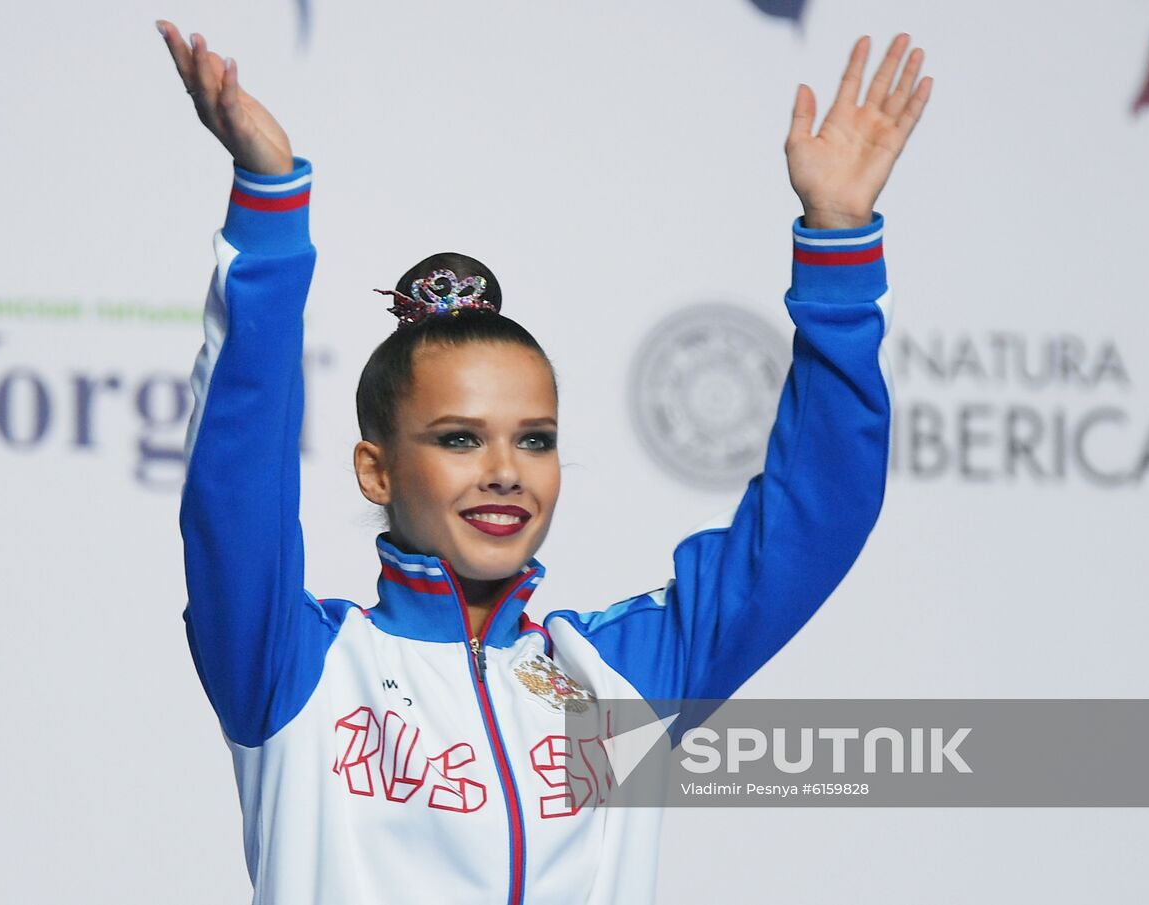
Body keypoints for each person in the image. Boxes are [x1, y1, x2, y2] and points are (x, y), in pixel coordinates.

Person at [158, 18, 930, 905]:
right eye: (458, 437)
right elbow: (235, 478)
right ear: (375, 470)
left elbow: (814, 519)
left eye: (535, 438)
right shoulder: (295, 668)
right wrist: (267, 211)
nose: (504, 469)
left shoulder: (615, 682)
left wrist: (839, 245)